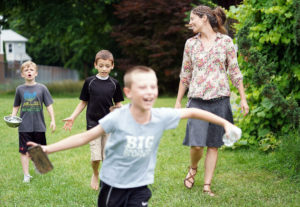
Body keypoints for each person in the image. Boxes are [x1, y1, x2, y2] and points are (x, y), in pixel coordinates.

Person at [28, 66, 239, 206]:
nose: (149, 91)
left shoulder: (160, 116)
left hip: (140, 186)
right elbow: (84, 137)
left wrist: (224, 123)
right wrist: (47, 149)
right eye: (142, 87)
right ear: (128, 92)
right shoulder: (117, 117)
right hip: (113, 186)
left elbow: (192, 112)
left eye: (153, 87)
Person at [175, 5, 249, 196]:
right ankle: (193, 167)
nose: (190, 23)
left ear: (204, 19)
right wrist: (177, 102)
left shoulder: (226, 42)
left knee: (213, 145)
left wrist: (243, 98)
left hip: (219, 99)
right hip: (197, 100)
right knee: (197, 144)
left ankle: (207, 186)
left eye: (193, 19)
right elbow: (186, 74)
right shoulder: (190, 44)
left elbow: (234, 70)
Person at [62, 49, 124, 190]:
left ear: (112, 66)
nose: (104, 69)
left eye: (107, 66)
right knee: (96, 158)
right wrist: (72, 117)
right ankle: (95, 173)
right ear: (95, 65)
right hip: (93, 125)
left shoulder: (114, 84)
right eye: (101, 65)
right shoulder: (89, 82)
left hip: (109, 125)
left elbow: (119, 104)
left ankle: (107, 181)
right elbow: (83, 102)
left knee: (107, 157)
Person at [11, 60, 56, 183]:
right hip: (24, 126)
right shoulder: (19, 89)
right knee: (24, 151)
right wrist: (13, 117)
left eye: (31, 70)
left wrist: (52, 120)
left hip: (39, 126)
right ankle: (26, 175)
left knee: (38, 149)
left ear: (36, 73)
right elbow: (16, 106)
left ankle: (38, 166)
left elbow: (49, 106)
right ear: (22, 74)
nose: (29, 72)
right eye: (26, 70)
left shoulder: (42, 88)